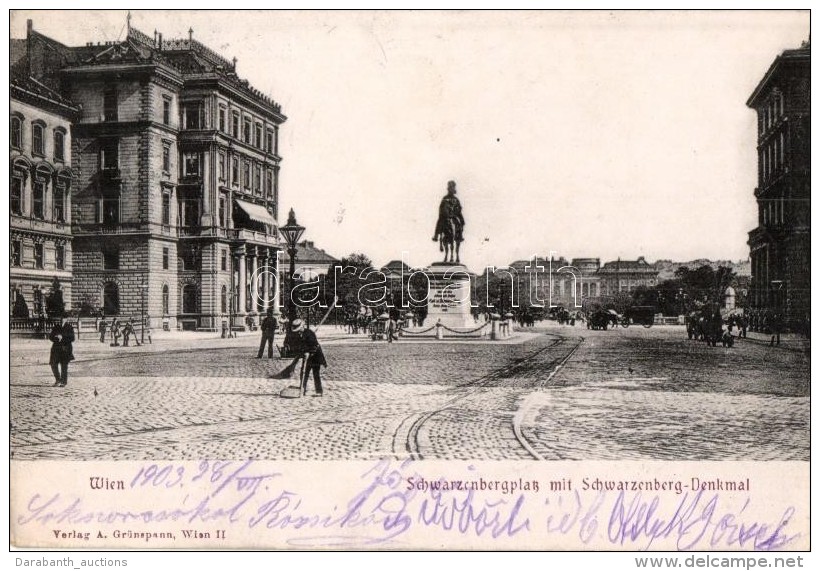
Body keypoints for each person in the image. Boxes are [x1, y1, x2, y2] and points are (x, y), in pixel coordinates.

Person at [293, 319, 327, 397]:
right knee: (304, 372)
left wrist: (309, 352)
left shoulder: (309, 333)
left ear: (302, 327)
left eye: (299, 329)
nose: (298, 331)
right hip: (306, 357)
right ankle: (303, 389)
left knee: (316, 373)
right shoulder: (298, 335)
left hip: (315, 356)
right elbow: (299, 346)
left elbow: (314, 346)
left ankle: (319, 391)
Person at [49, 316, 75, 387]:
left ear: (66, 319)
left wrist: (62, 337)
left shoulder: (69, 327)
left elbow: (72, 338)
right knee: (53, 363)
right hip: (56, 349)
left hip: (65, 349)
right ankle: (58, 379)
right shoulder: (56, 327)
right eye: (60, 318)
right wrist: (56, 337)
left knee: (64, 365)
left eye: (63, 318)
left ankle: (64, 381)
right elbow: (50, 336)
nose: (61, 320)